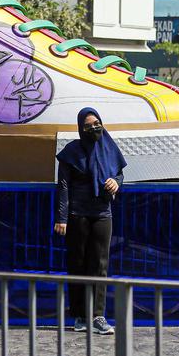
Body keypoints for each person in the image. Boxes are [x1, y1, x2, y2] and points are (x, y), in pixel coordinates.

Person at [54, 107, 126, 335]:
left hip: (103, 212)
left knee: (100, 265)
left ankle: (98, 316)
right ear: (80, 128)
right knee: (78, 264)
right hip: (78, 214)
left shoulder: (108, 146)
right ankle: (80, 316)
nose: (94, 128)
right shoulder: (71, 152)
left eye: (97, 123)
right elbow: (63, 187)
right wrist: (62, 218)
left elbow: (119, 172)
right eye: (88, 125)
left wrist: (116, 182)